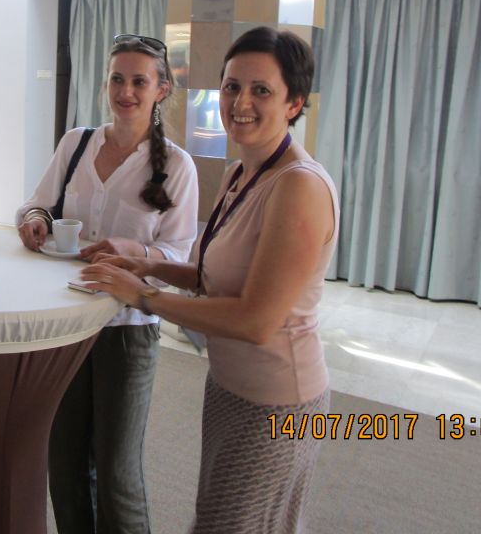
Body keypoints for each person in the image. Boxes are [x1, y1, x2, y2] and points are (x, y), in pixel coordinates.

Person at [80, 27, 338, 534]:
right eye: (231, 86)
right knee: (223, 518)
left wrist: (144, 297)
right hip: (229, 384)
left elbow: (255, 320)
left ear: (294, 103)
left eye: (261, 90)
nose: (240, 103)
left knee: (235, 524)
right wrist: (145, 264)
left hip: (278, 398)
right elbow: (208, 276)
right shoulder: (244, 172)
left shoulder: (298, 186)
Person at [16, 34, 198, 534]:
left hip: (127, 327)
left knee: (117, 472)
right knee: (65, 461)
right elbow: (37, 203)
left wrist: (133, 251)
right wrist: (34, 220)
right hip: (64, 319)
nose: (126, 91)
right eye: (117, 79)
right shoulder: (77, 143)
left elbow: (179, 255)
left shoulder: (176, 166)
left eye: (140, 81)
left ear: (161, 89)